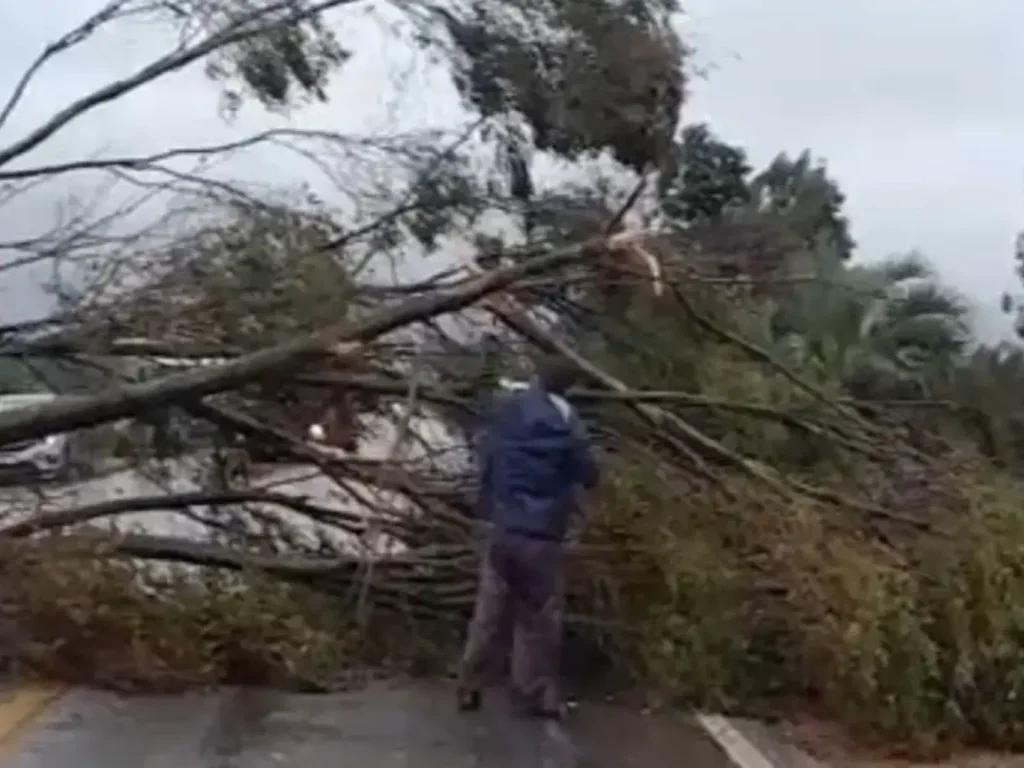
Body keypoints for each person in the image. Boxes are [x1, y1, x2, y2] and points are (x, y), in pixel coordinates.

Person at [456, 355, 600, 719]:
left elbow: (487, 454)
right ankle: (531, 691)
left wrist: (486, 507)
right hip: (542, 533)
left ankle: (469, 683)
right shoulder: (567, 420)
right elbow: (586, 470)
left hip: (502, 527)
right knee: (537, 617)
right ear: (569, 385)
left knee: (489, 611)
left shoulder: (509, 409)